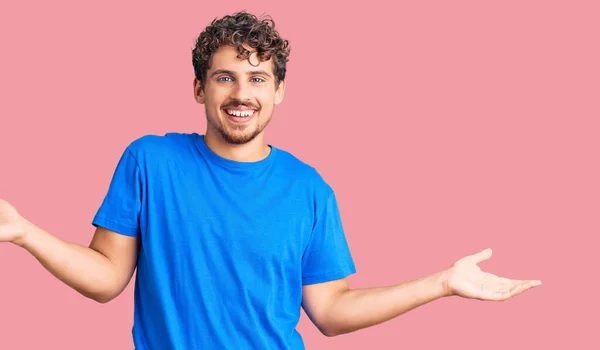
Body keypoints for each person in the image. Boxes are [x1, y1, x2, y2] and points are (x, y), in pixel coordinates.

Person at [0, 11, 542, 350]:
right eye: (225, 77)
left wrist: (441, 284)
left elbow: (330, 312)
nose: (242, 93)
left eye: (258, 78)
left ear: (279, 90)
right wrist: (24, 231)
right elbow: (105, 278)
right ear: (198, 88)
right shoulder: (150, 161)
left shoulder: (309, 190)